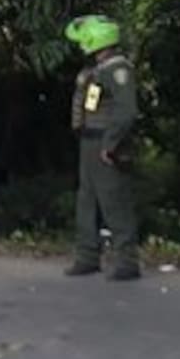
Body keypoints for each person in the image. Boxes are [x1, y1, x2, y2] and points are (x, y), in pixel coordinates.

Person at [63, 14, 141, 281]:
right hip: (89, 141)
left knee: (114, 201)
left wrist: (111, 143)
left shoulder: (118, 69)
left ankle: (127, 262)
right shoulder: (96, 69)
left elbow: (126, 111)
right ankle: (87, 257)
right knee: (87, 201)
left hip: (106, 142)